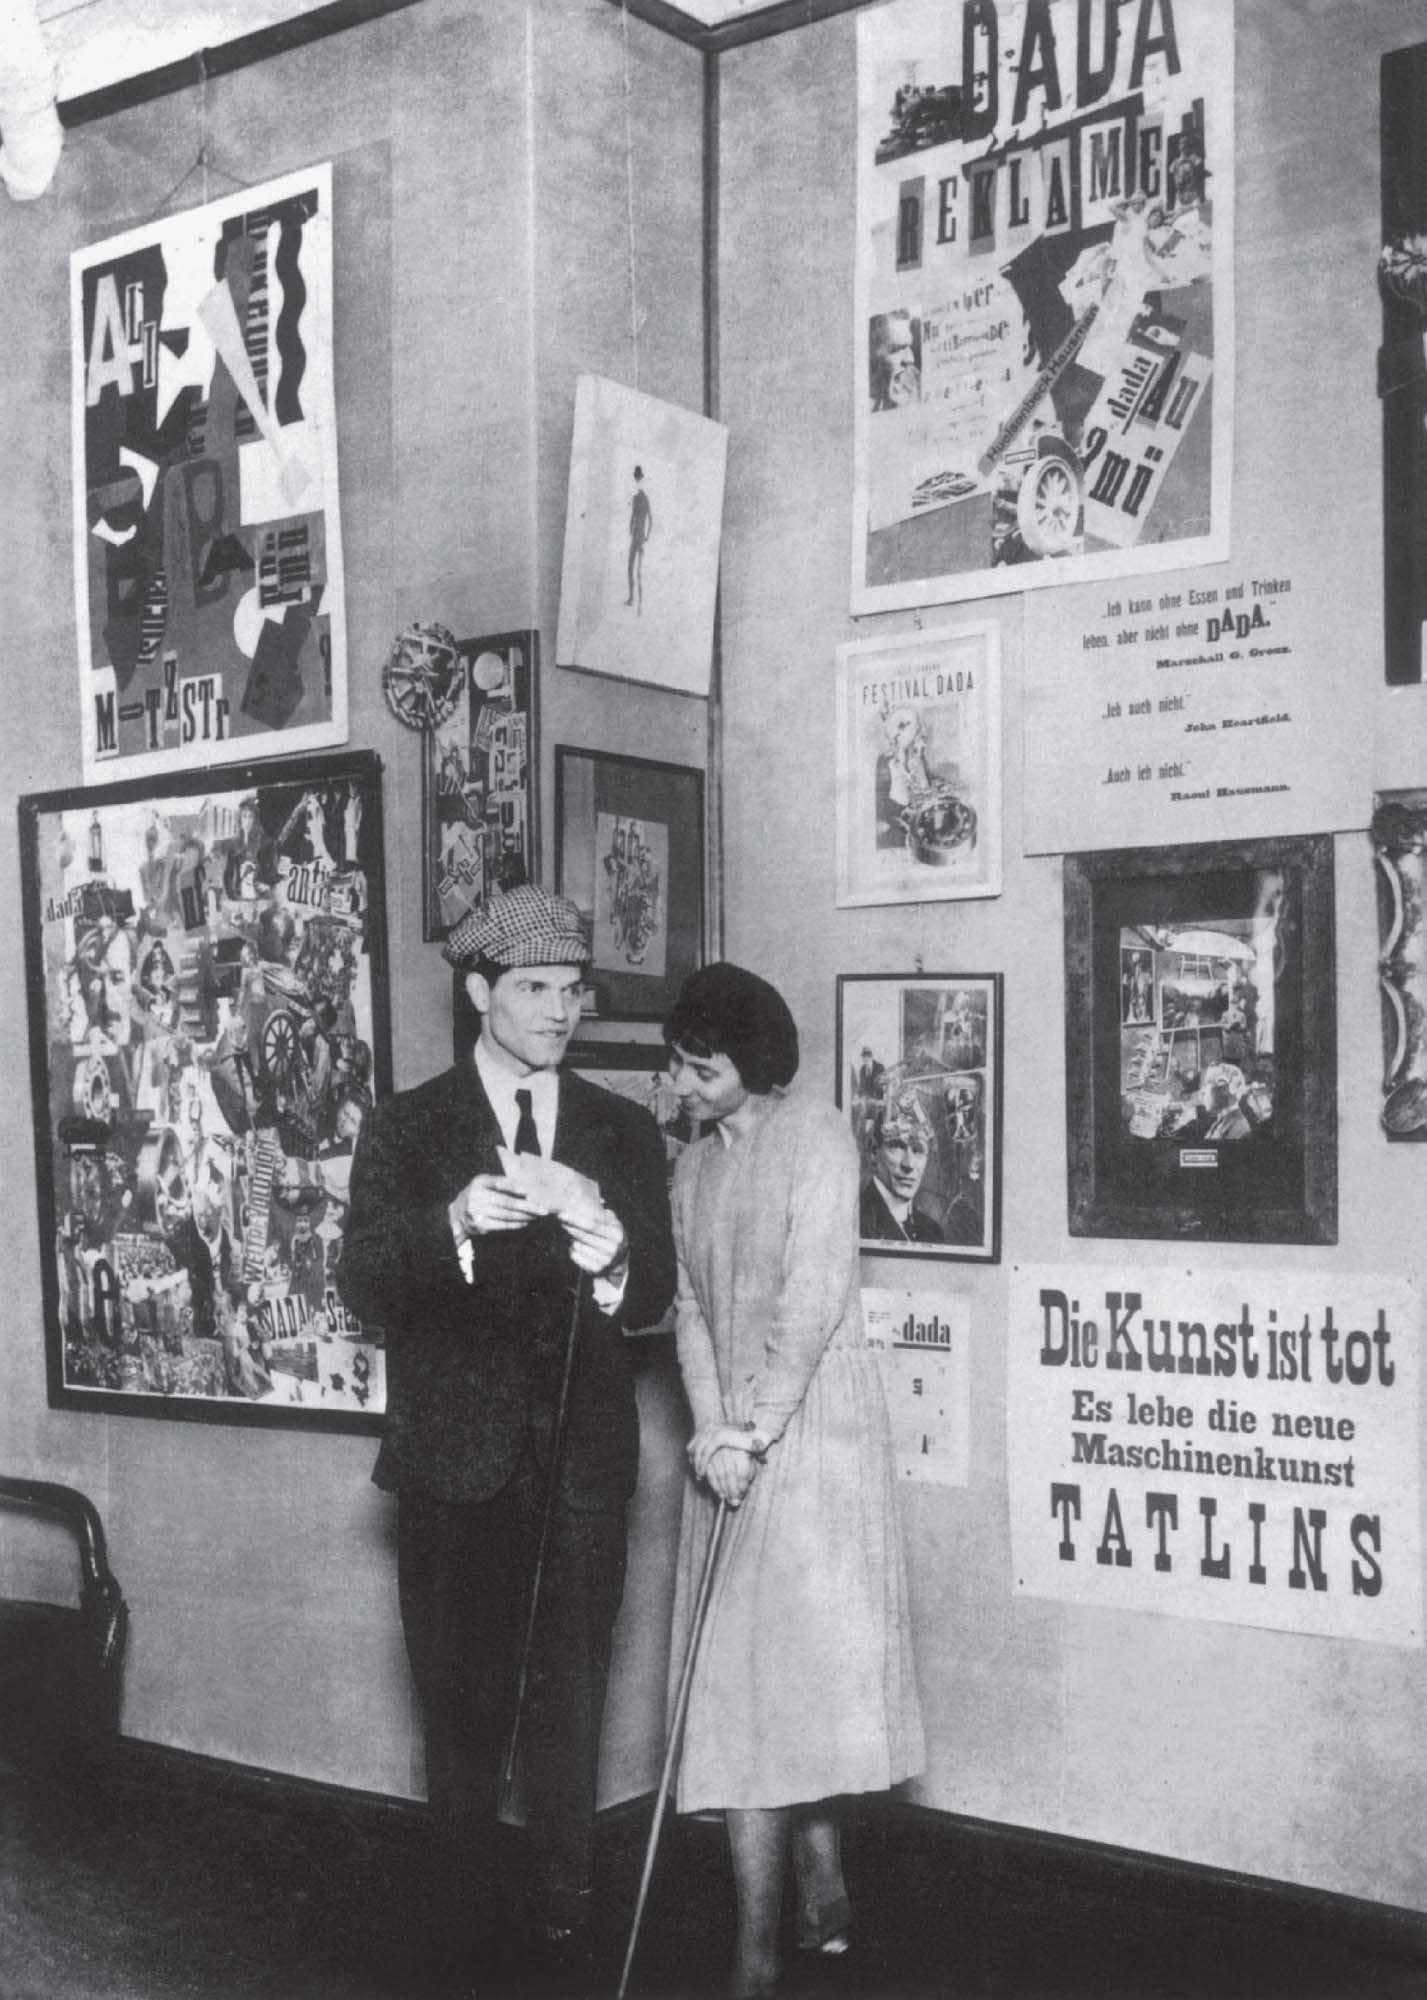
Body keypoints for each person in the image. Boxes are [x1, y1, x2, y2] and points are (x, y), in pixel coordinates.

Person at [336, 884, 675, 1992]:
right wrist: (450, 1227)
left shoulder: (621, 1128)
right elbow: (363, 1280)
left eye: (572, 989)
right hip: (454, 1468)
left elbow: (656, 1303)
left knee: (569, 1711)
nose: (559, 1010)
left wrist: (614, 1251)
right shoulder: (408, 1125)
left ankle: (568, 1922)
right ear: (479, 989)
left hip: (580, 1472)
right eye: (532, 987)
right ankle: (459, 1928)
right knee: (462, 1708)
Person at [662, 963, 924, 2000]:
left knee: (786, 1681)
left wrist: (752, 1430)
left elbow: (812, 1300)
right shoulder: (688, 1169)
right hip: (726, 1445)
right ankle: (796, 1906)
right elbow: (686, 1305)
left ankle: (769, 1940)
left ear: (753, 1063)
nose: (683, 1083)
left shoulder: (815, 1133)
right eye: (676, 1064)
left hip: (810, 1437)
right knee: (742, 1690)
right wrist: (710, 1429)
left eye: (703, 1066)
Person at [859, 1093, 945, 1243]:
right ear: (874, 1153)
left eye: (918, 1150)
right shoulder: (856, 1222)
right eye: (897, 1147)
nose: (909, 1164)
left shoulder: (933, 1232)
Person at [626, 464, 653, 609]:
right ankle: (631, 598)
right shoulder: (635, 498)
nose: (637, 482)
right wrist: (630, 527)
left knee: (639, 571)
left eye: (639, 479)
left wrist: (647, 536)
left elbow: (651, 519)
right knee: (630, 567)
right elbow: (633, 515)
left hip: (640, 538)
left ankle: (640, 603)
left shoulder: (645, 498)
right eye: (636, 479)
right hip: (635, 537)